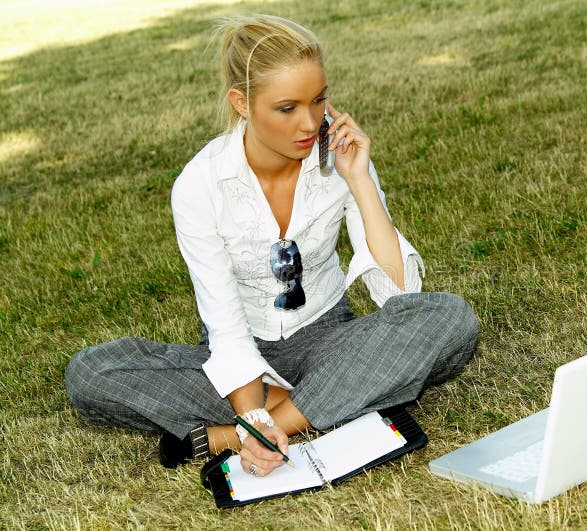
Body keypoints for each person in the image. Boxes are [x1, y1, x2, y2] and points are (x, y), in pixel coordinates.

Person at [65, 14, 478, 478]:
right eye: (287, 108)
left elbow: (400, 298)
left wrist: (359, 180)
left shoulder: (339, 156)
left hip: (330, 340)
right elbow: (225, 326)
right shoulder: (200, 185)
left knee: (450, 318)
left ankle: (235, 432)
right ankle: (336, 396)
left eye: (319, 99)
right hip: (243, 365)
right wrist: (251, 406)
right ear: (241, 103)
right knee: (92, 373)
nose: (310, 121)